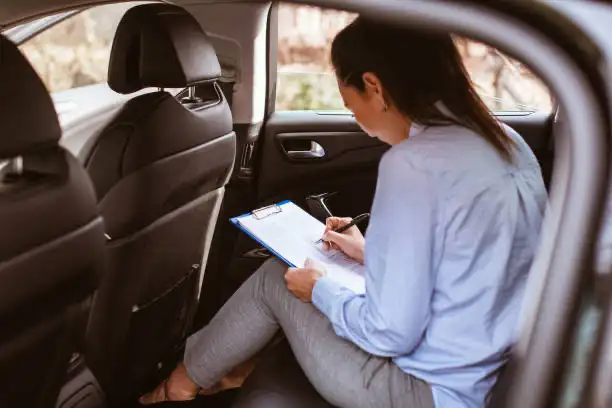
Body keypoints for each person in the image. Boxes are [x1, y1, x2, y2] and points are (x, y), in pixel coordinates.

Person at [139, 17, 546, 408]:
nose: (354, 117)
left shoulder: (413, 165)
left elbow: (389, 335)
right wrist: (369, 254)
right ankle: (225, 372)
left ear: (374, 86)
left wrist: (318, 288)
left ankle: (180, 385)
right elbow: (475, 269)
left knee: (275, 279)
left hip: (427, 392)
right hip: (490, 378)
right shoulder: (506, 141)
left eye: (350, 104)